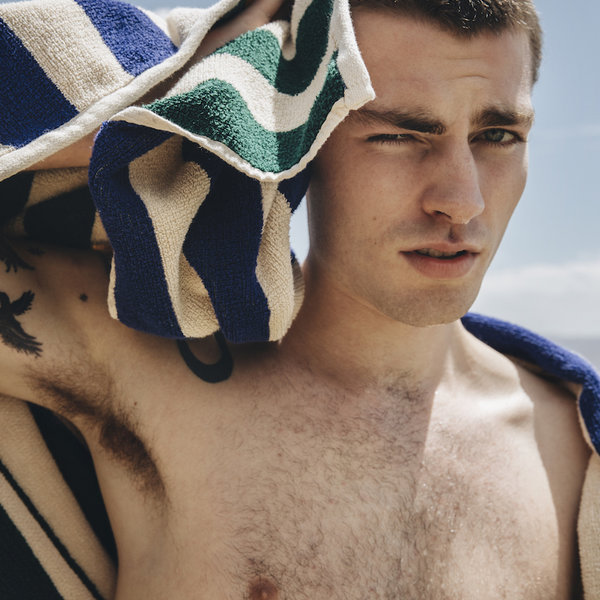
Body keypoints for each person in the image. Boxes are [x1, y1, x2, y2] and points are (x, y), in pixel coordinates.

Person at [0, 0, 598, 598]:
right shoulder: (138, 362)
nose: (462, 201)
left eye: (498, 135)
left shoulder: (571, 449)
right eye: (398, 134)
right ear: (302, 138)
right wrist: (176, 97)